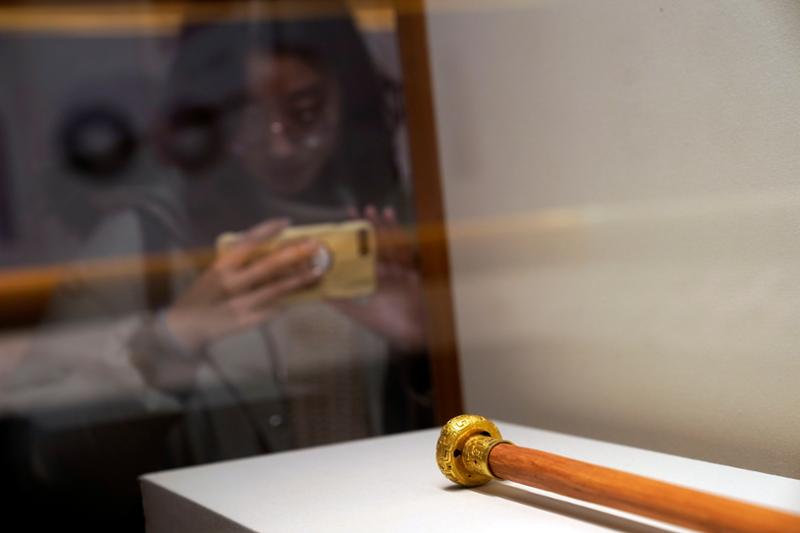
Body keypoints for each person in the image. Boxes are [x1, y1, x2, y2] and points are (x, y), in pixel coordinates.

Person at [1, 9, 432, 529]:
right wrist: (169, 341)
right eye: (245, 113)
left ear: (348, 96)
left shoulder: (398, 226)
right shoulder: (143, 244)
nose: (278, 142)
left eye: (305, 110)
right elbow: (47, 465)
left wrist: (424, 354)